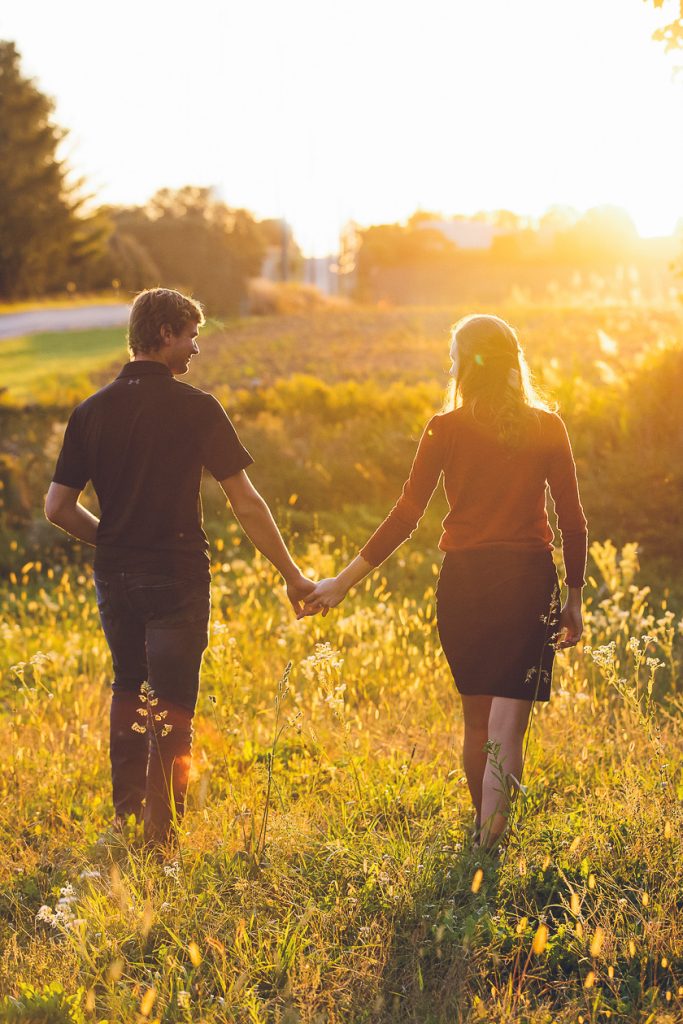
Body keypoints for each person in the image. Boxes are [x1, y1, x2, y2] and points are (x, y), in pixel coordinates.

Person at [304, 313, 587, 848]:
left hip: (466, 584)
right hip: (528, 583)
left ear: (462, 363)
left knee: (476, 722)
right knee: (508, 726)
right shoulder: (547, 426)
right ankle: (490, 845)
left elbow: (405, 515)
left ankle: (481, 839)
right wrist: (574, 597)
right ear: (513, 360)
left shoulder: (444, 429)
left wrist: (343, 581)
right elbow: (573, 519)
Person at [45, 287, 315, 845]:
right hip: (176, 576)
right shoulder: (197, 408)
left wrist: (114, 542)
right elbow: (245, 501)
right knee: (171, 704)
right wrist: (293, 574)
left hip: (115, 574)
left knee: (128, 691)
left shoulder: (89, 412)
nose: (195, 347)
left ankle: (125, 823)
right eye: (191, 334)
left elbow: (57, 508)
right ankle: (161, 839)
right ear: (165, 333)